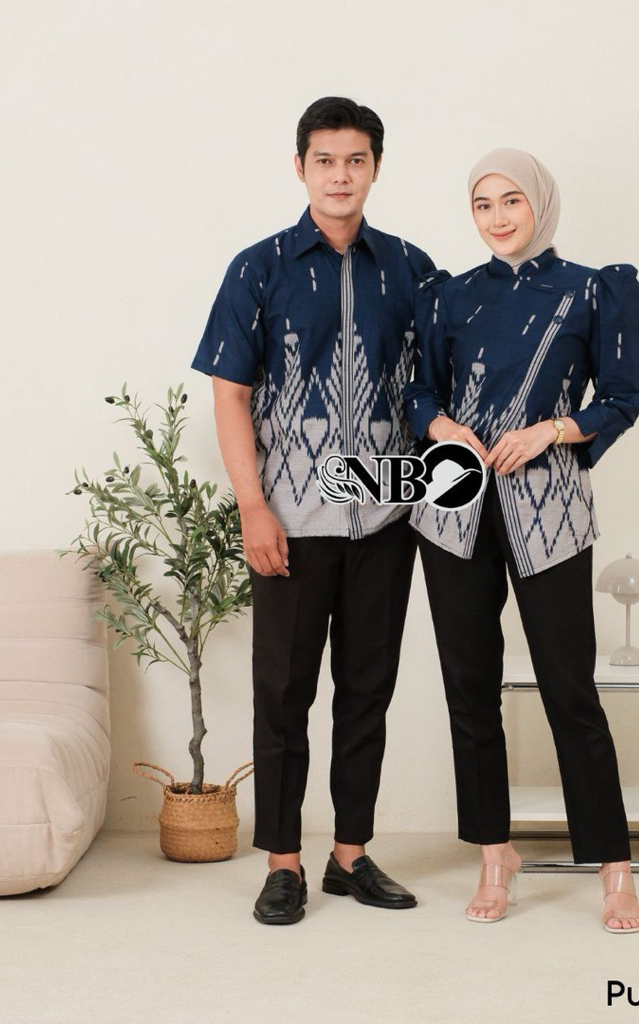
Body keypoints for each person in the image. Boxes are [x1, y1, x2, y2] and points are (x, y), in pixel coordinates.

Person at [192, 97, 434, 925]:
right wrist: (252, 506)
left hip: (385, 519)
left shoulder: (411, 269)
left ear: (375, 168)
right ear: (300, 167)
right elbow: (230, 392)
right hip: (291, 521)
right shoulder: (257, 268)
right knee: (283, 694)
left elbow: (435, 389)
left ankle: (350, 855)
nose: (340, 175)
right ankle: (283, 862)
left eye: (355, 160)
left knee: (367, 693)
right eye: (325, 160)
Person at [403, 148, 639, 931]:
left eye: (512, 200)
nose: (498, 217)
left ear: (540, 202)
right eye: (483, 204)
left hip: (551, 511)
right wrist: (442, 427)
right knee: (469, 692)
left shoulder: (594, 289)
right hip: (454, 513)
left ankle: (614, 867)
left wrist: (552, 430)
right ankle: (494, 854)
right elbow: (418, 391)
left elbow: (624, 394)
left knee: (570, 692)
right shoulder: (448, 295)